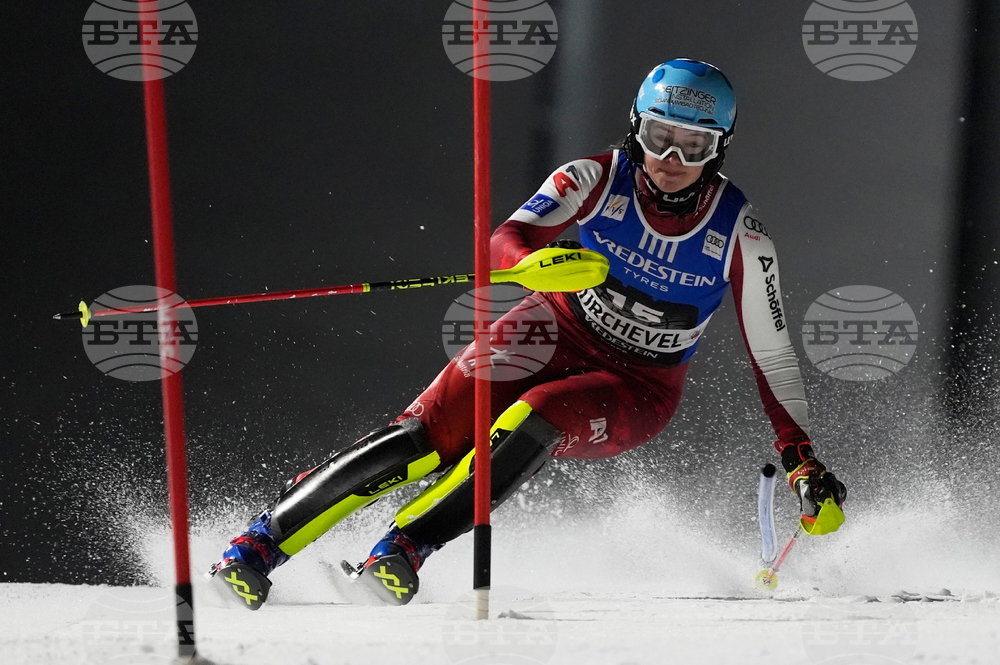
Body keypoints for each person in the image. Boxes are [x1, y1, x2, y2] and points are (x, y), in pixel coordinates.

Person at [209, 58, 847, 609]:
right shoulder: (593, 179)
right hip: (549, 329)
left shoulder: (743, 235)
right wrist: (527, 264)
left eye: (694, 145)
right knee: (425, 438)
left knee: (537, 415)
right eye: (659, 137)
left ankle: (404, 549)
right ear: (637, 127)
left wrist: (799, 454)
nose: (672, 161)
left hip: (635, 386)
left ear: (721, 147)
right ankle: (257, 545)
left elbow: (771, 351)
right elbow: (504, 241)